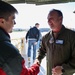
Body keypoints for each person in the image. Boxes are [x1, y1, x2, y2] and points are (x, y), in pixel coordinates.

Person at [0, 1, 40, 75]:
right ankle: (34, 59)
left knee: (29, 50)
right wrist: (36, 65)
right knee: (34, 50)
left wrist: (27, 39)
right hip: (33, 41)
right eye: (13, 19)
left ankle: (29, 57)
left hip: (30, 40)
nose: (15, 23)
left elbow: (27, 34)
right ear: (2, 21)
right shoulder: (8, 52)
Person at [35, 9, 75, 75]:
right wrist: (38, 59)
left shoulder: (72, 36)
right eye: (47, 19)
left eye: (51, 18)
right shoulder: (46, 37)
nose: (48, 21)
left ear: (60, 19)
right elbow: (42, 51)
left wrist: (63, 69)